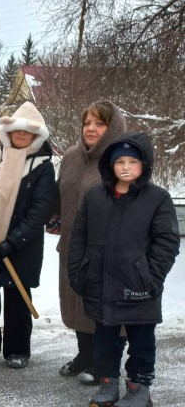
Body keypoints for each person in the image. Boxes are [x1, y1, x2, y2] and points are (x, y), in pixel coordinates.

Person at [68, 133, 179, 407]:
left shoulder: (157, 198)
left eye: (133, 161)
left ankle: (139, 387)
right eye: (120, 161)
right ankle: (108, 383)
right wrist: (80, 272)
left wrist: (150, 276)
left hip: (139, 287)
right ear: (110, 165)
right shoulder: (95, 196)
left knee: (141, 340)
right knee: (104, 339)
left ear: (145, 165)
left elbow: (167, 242)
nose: (126, 167)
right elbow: (78, 237)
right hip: (101, 285)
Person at [0, 101, 56, 370]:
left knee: (18, 297)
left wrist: (13, 241)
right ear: (8, 132)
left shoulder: (43, 167)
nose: (21, 135)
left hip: (22, 245)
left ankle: (17, 350)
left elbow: (40, 210)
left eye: (27, 132)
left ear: (35, 136)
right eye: (17, 130)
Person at [48, 100, 127, 384]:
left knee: (104, 309)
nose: (91, 129)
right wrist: (55, 215)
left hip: (107, 251)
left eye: (100, 123)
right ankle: (85, 355)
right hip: (72, 247)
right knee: (76, 304)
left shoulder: (122, 160)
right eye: (87, 123)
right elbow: (61, 193)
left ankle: (104, 362)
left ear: (113, 127)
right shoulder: (71, 156)